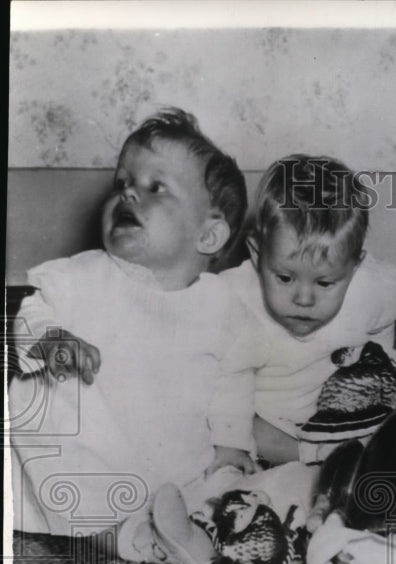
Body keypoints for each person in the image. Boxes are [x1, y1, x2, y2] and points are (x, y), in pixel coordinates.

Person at [8, 108, 248, 541]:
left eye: (156, 187)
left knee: (232, 487)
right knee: (53, 393)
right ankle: (113, 533)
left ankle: (180, 527)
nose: (129, 195)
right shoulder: (85, 275)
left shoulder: (219, 303)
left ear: (208, 236)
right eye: (123, 183)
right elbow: (33, 312)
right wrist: (51, 338)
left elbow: (234, 379)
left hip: (172, 467)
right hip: (77, 464)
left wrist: (232, 443)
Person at [207, 154, 396, 471]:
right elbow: (230, 380)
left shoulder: (371, 290)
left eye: (325, 283)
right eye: (285, 278)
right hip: (271, 419)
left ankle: (340, 457)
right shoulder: (239, 302)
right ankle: (317, 458)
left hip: (340, 412)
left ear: (355, 267)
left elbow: (384, 318)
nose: (303, 298)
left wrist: (381, 361)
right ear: (257, 255)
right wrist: (231, 444)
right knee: (222, 429)